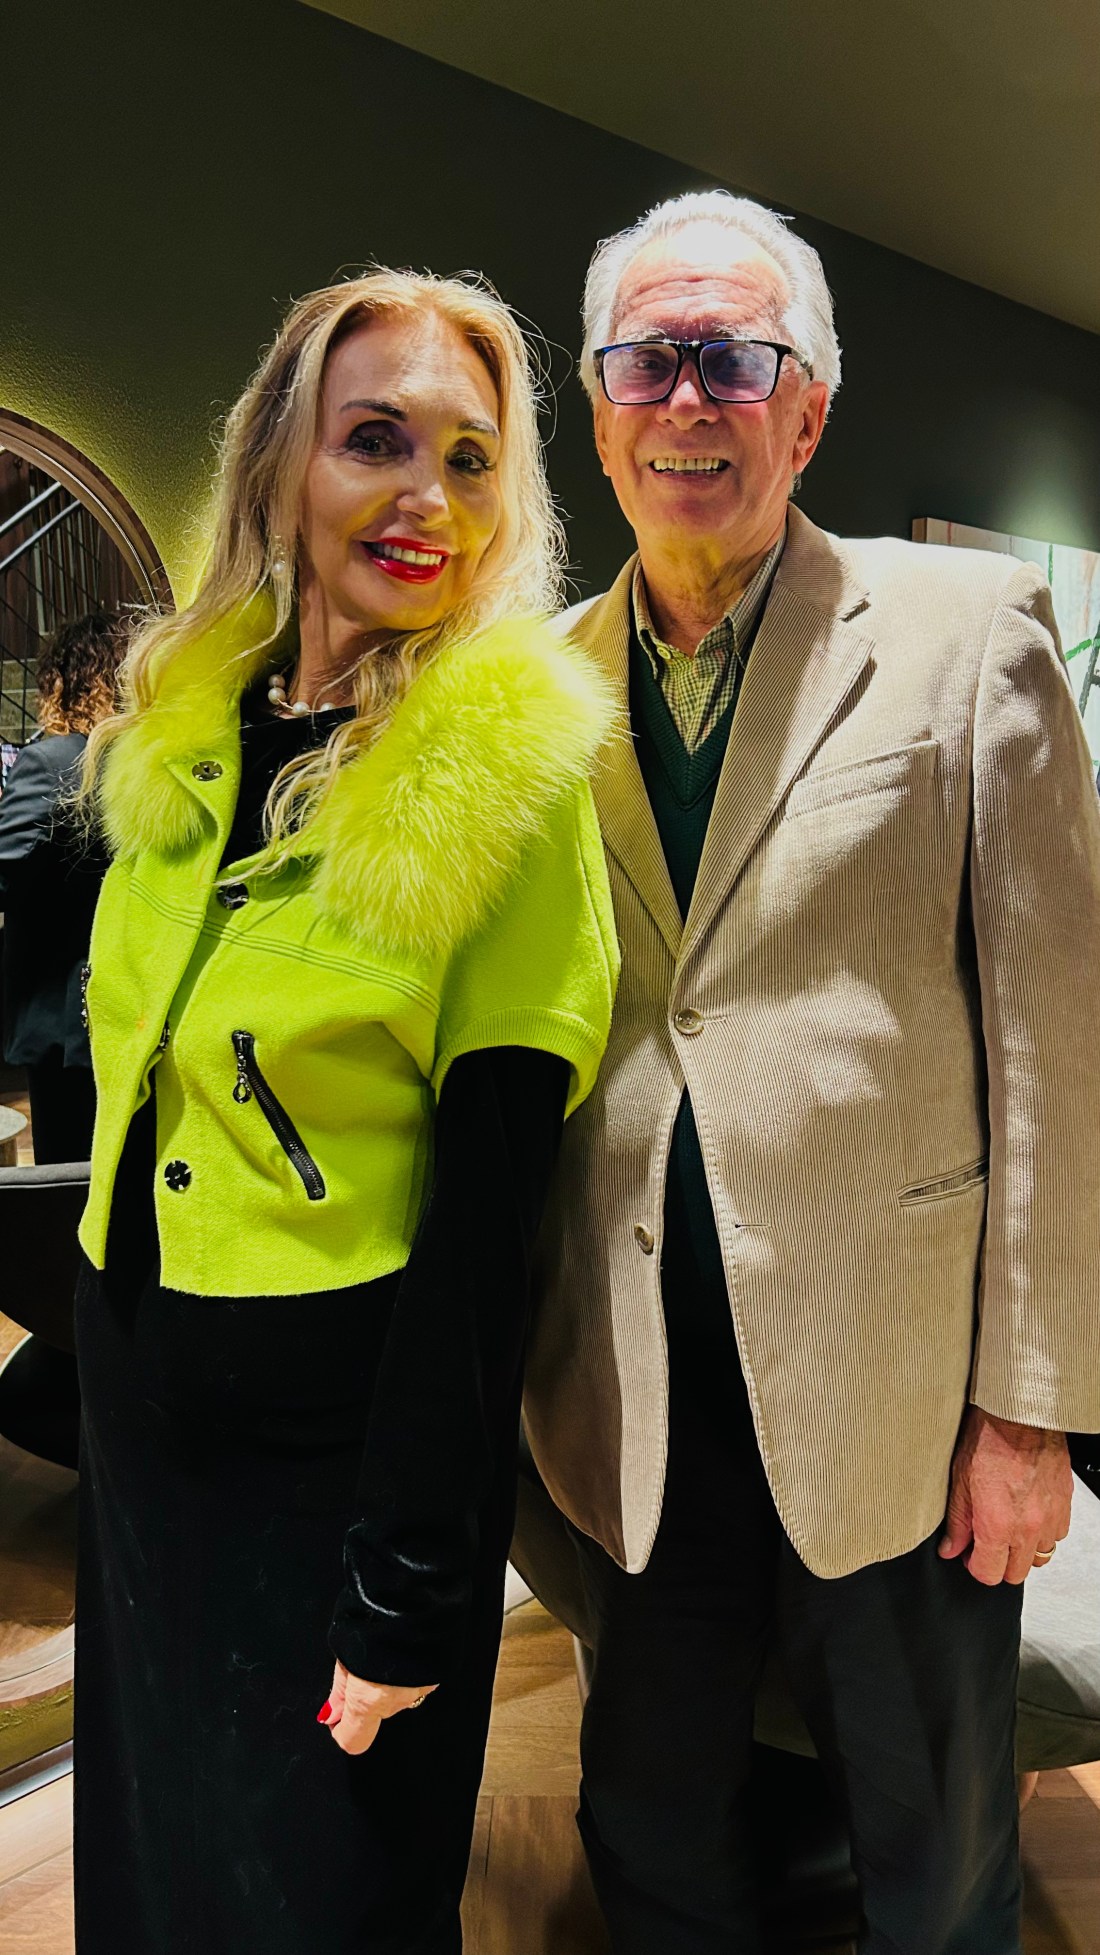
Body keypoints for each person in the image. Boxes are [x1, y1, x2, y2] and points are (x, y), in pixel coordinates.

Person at [520, 189, 1100, 1953]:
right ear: (600, 412)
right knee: (652, 1826)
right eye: (649, 361)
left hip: (896, 1396)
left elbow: (1058, 1051)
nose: (690, 399)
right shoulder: (530, 689)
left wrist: (1030, 1411)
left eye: (736, 359)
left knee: (936, 1860)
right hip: (630, 1400)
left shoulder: (968, 627)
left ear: (808, 411)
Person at [73, 268, 618, 1955]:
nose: (423, 496)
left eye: (468, 458)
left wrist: (412, 1583)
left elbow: (488, 1237)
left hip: (341, 1449)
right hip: (141, 1404)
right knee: (160, 1866)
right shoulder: (186, 733)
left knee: (326, 1897)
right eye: (374, 439)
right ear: (281, 464)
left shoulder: (504, 783)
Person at [0, 608, 124, 1162]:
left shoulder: (53, 762)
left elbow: (7, 871)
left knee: (69, 1173)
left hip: (64, 1017)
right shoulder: (149, 765)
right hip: (131, 1003)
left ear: (64, 684)